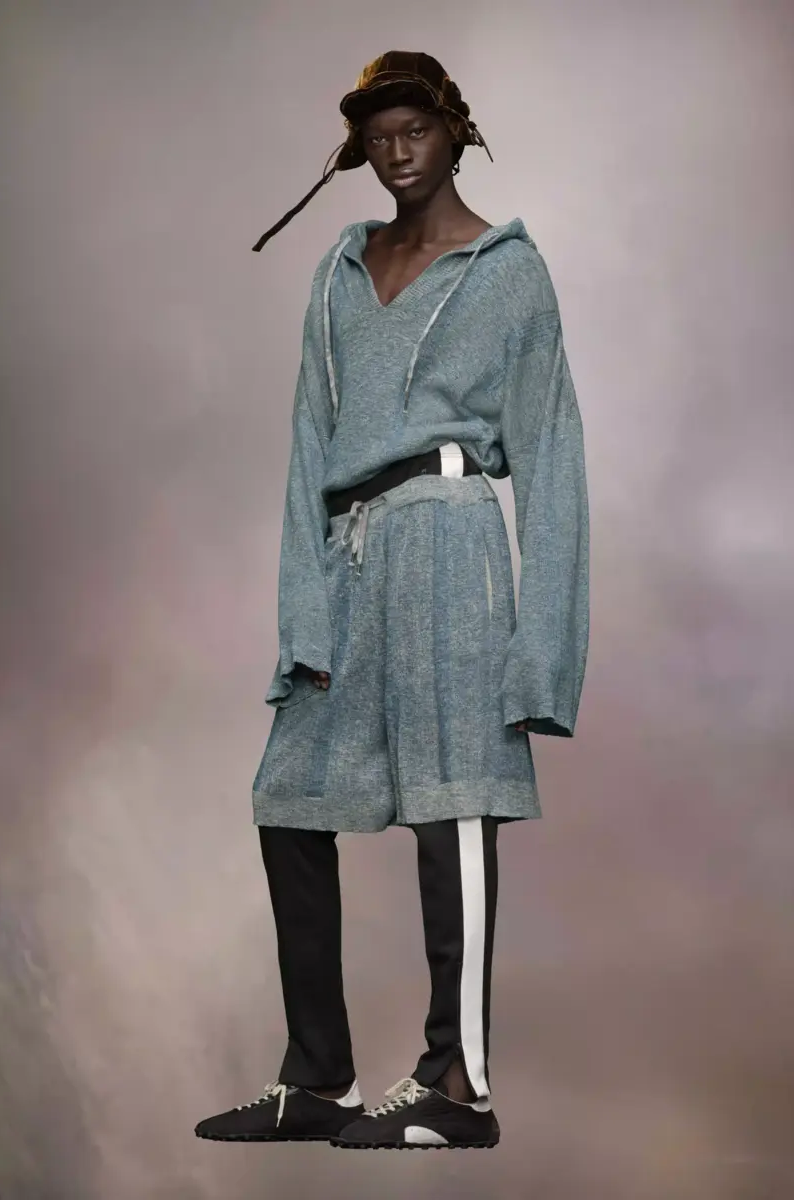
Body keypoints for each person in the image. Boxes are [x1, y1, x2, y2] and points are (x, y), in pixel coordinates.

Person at [195, 50, 589, 1151]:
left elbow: (550, 457)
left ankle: (456, 1086)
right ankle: (318, 1076)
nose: (396, 152)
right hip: (349, 552)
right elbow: (305, 446)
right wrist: (301, 617)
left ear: (456, 132)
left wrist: (542, 653)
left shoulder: (508, 274)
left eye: (414, 130)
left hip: (452, 544)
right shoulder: (339, 272)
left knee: (453, 800)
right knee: (288, 798)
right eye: (376, 138)